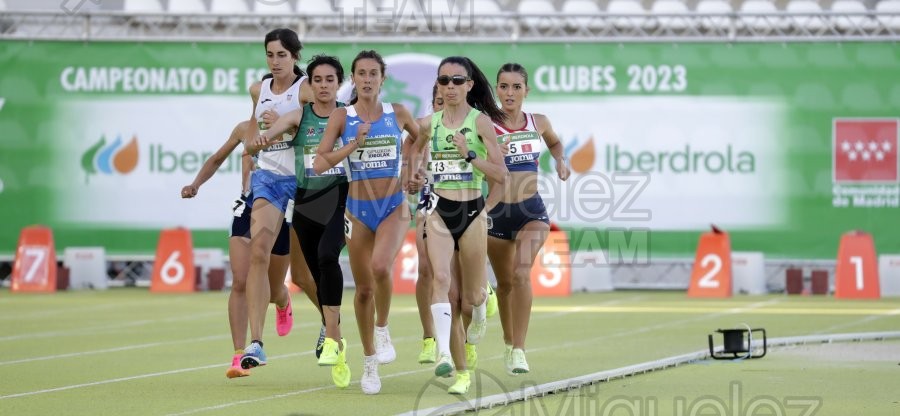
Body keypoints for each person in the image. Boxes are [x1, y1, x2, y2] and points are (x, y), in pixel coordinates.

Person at [312, 50, 420, 395]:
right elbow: (319, 162)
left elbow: (420, 138)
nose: (368, 79)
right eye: (362, 73)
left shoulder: (398, 113)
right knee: (362, 290)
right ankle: (370, 362)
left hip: (393, 205)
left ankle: (383, 328)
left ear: (382, 78)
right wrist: (353, 146)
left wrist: (412, 168)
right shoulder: (342, 117)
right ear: (354, 80)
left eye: (374, 73)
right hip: (357, 209)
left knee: (381, 267)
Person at [180, 120, 319, 379]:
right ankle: (239, 354)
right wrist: (196, 184)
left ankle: (282, 299)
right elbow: (217, 158)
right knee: (240, 281)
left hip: (282, 208)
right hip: (248, 206)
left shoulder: (295, 125)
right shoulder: (245, 129)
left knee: (273, 288)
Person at [409, 56, 508, 394]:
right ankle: (446, 357)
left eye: (456, 80)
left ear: (469, 85)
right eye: (443, 80)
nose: (449, 86)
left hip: (472, 211)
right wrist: (414, 173)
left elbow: (500, 175)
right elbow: (413, 147)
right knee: (440, 280)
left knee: (472, 297)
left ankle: (481, 309)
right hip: (438, 209)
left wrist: (469, 155)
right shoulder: (428, 123)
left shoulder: (481, 124)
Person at [261, 54, 351, 388]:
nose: (324, 86)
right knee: (303, 274)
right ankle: (333, 332)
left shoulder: (348, 116)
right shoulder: (299, 116)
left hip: (340, 196)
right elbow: (270, 134)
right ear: (309, 85)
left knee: (328, 256)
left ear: (338, 83)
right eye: (318, 80)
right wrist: (261, 135)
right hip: (306, 199)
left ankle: (333, 334)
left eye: (330, 79)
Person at [487, 63, 570, 375]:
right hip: (495, 213)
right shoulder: (485, 124)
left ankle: (520, 349)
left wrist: (561, 160)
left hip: (531, 211)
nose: (510, 93)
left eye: (516, 87)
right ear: (496, 89)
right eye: (504, 86)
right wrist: (491, 150)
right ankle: (509, 343)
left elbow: (555, 143)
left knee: (522, 273)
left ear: (526, 91)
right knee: (505, 284)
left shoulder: (538, 121)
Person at [240, 28, 312, 370]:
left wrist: (284, 126)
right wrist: (252, 150)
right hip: (268, 178)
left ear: (295, 56)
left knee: (303, 272)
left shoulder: (307, 89)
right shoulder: (259, 89)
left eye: (282, 55)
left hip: (301, 181)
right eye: (270, 55)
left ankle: (331, 327)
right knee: (258, 253)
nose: (275, 61)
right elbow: (253, 137)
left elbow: (316, 132)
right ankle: (256, 344)